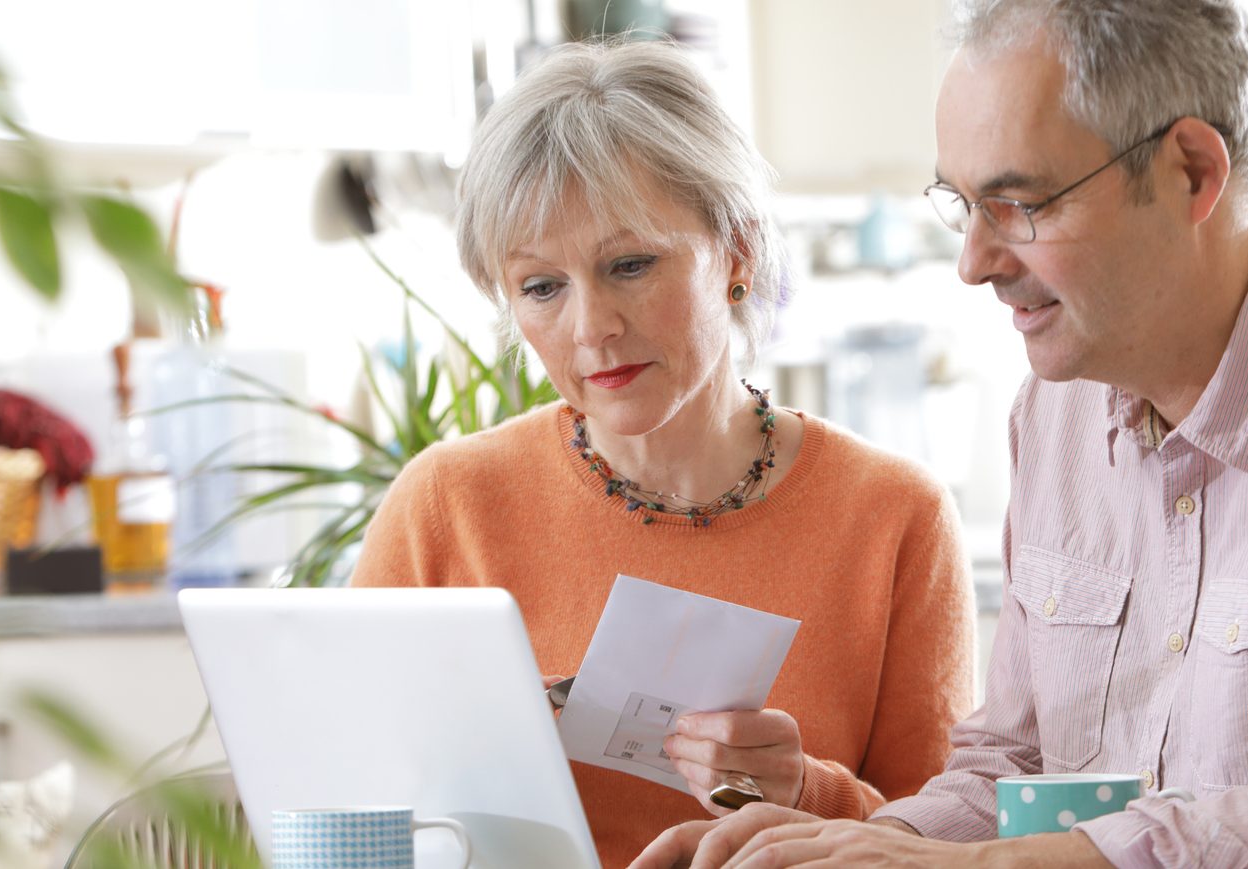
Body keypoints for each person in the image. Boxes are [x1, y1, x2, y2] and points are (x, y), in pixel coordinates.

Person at [634, 0, 1248, 866]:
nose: (974, 261)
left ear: (1190, 171)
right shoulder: (1055, 411)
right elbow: (1012, 765)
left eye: (1022, 203)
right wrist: (856, 850)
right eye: (963, 205)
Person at [349, 40, 976, 868]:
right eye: (541, 287)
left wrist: (803, 794)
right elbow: (346, 810)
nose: (590, 326)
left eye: (630, 264)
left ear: (739, 254)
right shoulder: (447, 503)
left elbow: (943, 843)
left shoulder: (893, 516)